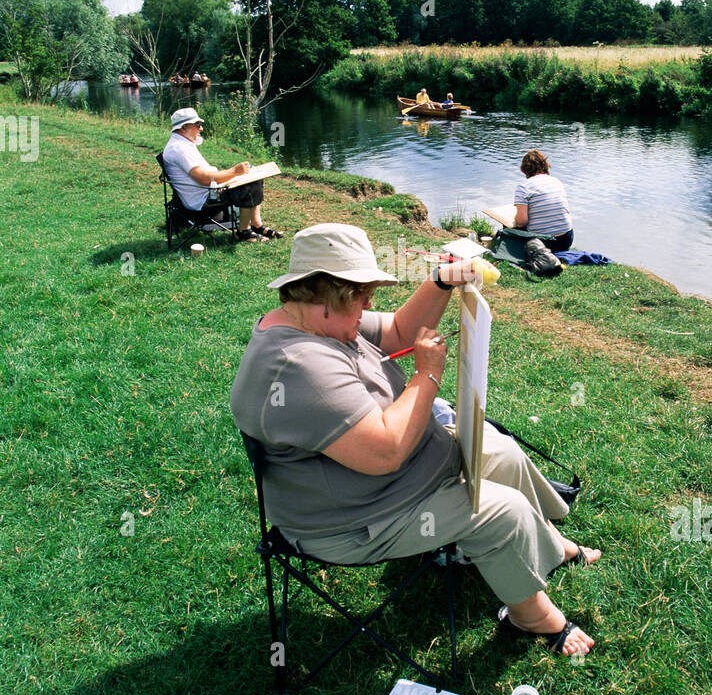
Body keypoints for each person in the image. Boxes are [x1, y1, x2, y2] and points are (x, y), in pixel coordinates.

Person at [230, 223, 600, 656]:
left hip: (389, 482)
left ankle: (548, 544)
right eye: (363, 296)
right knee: (501, 510)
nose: (369, 305)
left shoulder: (318, 319)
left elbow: (401, 333)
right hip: (350, 519)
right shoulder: (299, 365)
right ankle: (531, 618)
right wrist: (427, 374)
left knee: (499, 452)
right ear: (330, 295)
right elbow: (386, 452)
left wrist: (442, 281)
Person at [162, 107, 283, 242]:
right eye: (197, 125)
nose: (201, 128)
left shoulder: (182, 143)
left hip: (209, 190)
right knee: (250, 184)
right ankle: (243, 231)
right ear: (184, 128)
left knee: (254, 173)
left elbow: (206, 177)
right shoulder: (179, 148)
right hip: (205, 199)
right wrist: (234, 172)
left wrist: (233, 174)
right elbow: (204, 179)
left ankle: (256, 225)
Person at [512, 149, 574, 253]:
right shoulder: (556, 181)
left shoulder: (523, 187)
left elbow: (522, 222)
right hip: (566, 238)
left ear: (524, 169)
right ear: (545, 165)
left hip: (543, 243)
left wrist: (515, 219)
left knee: (511, 227)